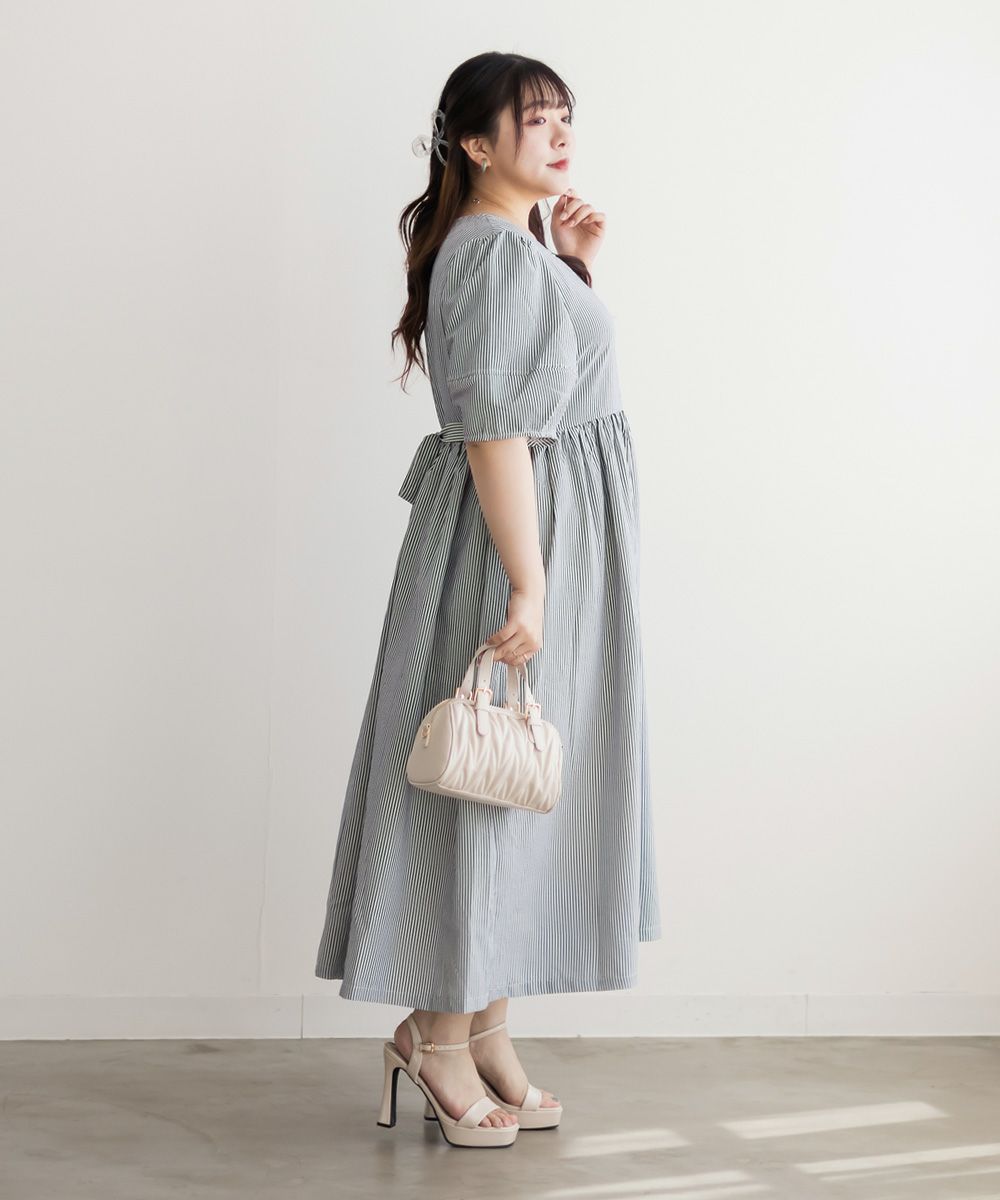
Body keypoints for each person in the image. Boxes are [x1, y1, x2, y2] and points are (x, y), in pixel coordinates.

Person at [314, 51, 662, 1147]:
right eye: (534, 119)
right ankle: (438, 1040)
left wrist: (573, 269)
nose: (560, 135)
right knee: (481, 783)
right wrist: (528, 578)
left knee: (518, 782)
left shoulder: (517, 249)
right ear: (474, 142)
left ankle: (486, 1026)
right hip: (519, 541)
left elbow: (542, 380)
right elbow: (498, 429)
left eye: (565, 117)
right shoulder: (491, 253)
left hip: (551, 536)